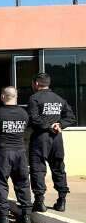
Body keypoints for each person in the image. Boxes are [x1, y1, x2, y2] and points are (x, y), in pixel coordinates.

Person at [27, 72, 76, 212]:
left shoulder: (34, 98)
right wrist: (59, 124)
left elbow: (33, 119)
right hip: (56, 138)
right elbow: (71, 117)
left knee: (38, 168)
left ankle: (39, 201)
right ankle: (62, 200)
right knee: (58, 167)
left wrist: (49, 126)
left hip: (41, 138)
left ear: (36, 84)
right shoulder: (59, 99)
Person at [0, 87, 33, 223]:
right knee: (23, 183)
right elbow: (26, 129)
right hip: (20, 151)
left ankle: (3, 217)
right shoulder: (24, 114)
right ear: (16, 97)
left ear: (2, 97)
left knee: (0, 183)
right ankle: (26, 217)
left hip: (3, 152)